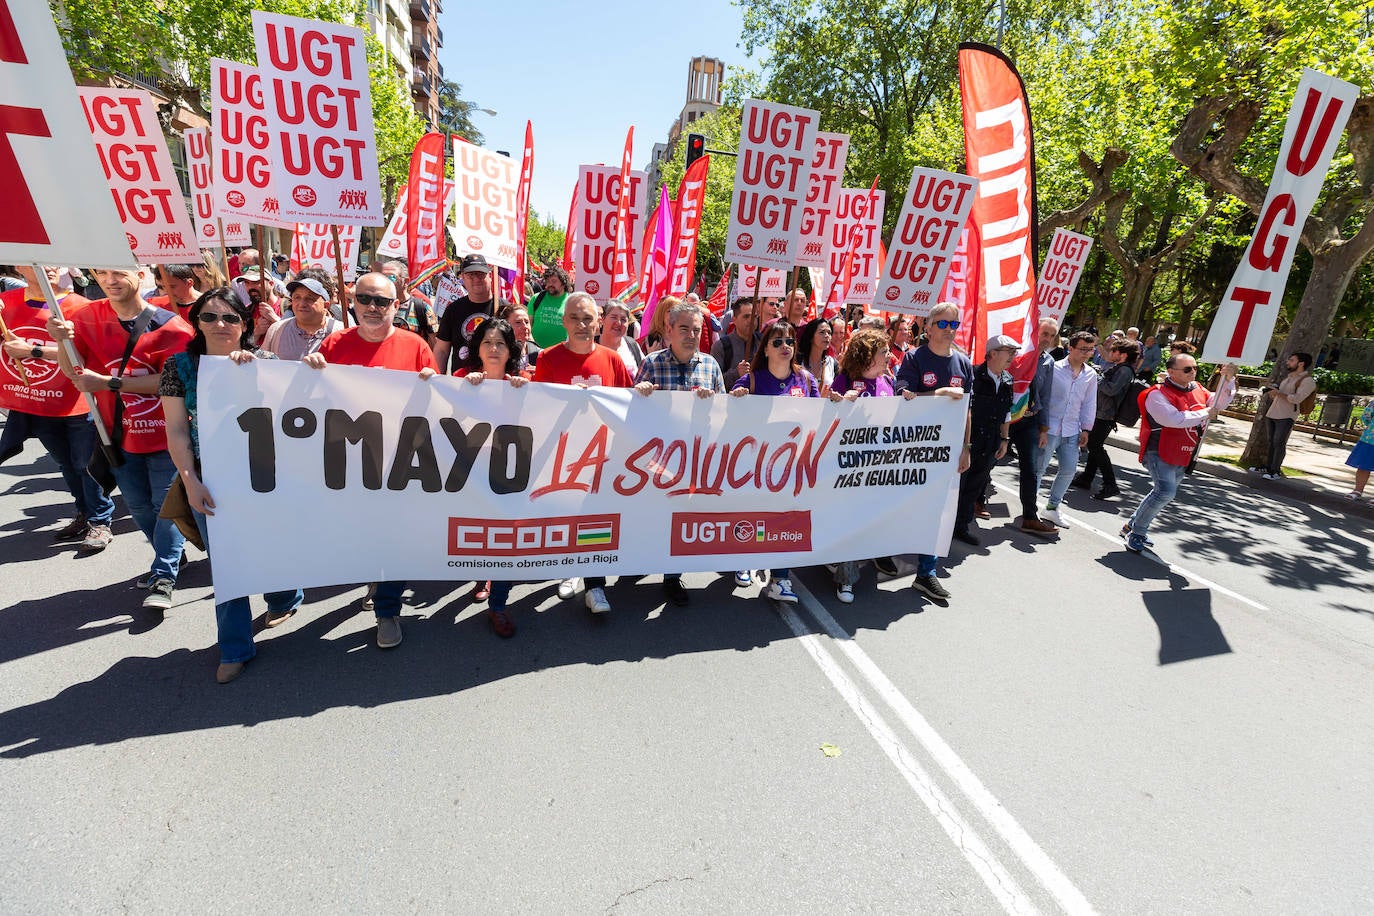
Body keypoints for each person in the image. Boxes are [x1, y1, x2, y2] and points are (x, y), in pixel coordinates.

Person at [160, 288, 303, 683]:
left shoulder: (268, 362)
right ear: (197, 323)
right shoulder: (179, 368)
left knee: (271, 549)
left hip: (266, 478)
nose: (220, 325)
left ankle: (283, 597)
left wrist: (290, 370)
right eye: (209, 317)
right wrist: (190, 481)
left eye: (229, 318)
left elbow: (302, 410)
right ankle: (235, 647)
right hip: (211, 480)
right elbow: (175, 430)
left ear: (244, 324)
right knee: (226, 566)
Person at [302, 272, 439, 648]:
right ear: (353, 302)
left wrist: (432, 382)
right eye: (365, 299)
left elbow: (437, 410)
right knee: (363, 536)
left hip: (399, 463)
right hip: (349, 464)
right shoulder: (333, 345)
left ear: (397, 306)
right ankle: (374, 579)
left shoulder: (415, 347)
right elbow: (307, 405)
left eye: (382, 301)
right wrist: (308, 373)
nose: (373, 308)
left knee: (393, 539)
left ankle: (387, 610)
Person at [47, 267, 194, 609]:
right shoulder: (86, 318)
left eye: (118, 272)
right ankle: (171, 554)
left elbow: (176, 380)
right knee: (140, 506)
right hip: (116, 436)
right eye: (101, 273)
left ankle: (163, 576)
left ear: (140, 274)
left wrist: (111, 383)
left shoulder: (171, 327)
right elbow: (77, 375)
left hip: (167, 436)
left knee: (163, 508)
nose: (110, 280)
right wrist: (61, 341)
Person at [533, 292, 635, 614]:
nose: (581, 325)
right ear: (564, 322)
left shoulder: (613, 359)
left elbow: (629, 403)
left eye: (588, 318)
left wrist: (643, 393)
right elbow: (540, 408)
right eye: (575, 318)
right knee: (566, 516)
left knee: (594, 520)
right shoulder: (547, 359)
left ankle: (595, 585)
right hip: (563, 455)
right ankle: (569, 568)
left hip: (602, 458)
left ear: (598, 322)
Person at [0, 266, 115, 550]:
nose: (48, 267)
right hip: (35, 402)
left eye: (54, 262)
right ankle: (84, 512)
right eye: (35, 261)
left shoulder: (82, 305)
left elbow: (90, 352)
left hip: (78, 402)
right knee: (65, 464)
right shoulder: (8, 302)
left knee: (84, 463)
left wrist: (32, 350)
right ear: (18, 267)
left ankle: (100, 521)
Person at [632, 301, 726, 606]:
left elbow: (726, 412)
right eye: (684, 328)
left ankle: (672, 577)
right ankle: (638, 561)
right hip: (660, 460)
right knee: (655, 517)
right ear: (669, 329)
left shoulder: (711, 365)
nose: (691, 334)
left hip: (696, 460)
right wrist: (642, 393)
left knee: (682, 521)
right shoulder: (653, 364)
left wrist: (725, 401)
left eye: (696, 329)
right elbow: (632, 412)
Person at [728, 319, 820, 603]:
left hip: (792, 467)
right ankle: (744, 560)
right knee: (752, 514)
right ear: (765, 348)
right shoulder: (753, 380)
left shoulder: (805, 379)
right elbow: (729, 418)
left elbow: (820, 416)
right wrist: (737, 398)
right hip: (755, 466)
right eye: (777, 341)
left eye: (790, 341)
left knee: (787, 520)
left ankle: (780, 578)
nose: (785, 347)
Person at [892, 302, 972, 602]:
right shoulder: (915, 358)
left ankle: (927, 573)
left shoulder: (963, 363)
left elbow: (966, 409)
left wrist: (966, 447)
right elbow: (904, 399)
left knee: (937, 511)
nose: (950, 329)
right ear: (928, 326)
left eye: (954, 324)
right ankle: (882, 553)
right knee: (903, 506)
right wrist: (936, 395)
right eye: (943, 324)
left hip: (947, 451)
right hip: (913, 449)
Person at [456, 317, 530, 636]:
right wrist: (461, 390)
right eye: (487, 342)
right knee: (476, 535)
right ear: (478, 348)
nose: (494, 348)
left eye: (500, 343)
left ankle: (498, 605)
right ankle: (480, 574)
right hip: (470, 475)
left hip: (509, 477)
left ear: (510, 349)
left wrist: (526, 392)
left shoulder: (525, 381)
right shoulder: (461, 378)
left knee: (505, 542)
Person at [1122, 355, 1234, 553]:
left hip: (1185, 450)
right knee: (1165, 492)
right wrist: (1206, 413)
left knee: (1161, 493)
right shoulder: (1157, 394)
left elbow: (1219, 403)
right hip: (1159, 450)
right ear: (1171, 372)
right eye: (1187, 369)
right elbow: (1173, 419)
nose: (1193, 372)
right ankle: (1137, 533)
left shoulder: (1198, 389)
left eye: (1194, 368)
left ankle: (1131, 524)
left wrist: (1229, 379)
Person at [827, 327, 902, 600]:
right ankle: (845, 578)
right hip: (848, 465)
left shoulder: (887, 383)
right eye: (883, 352)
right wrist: (839, 402)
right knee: (850, 519)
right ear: (867, 354)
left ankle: (866, 555)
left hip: (878, 465)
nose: (889, 357)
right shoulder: (845, 380)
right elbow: (827, 416)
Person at [952, 336, 1018, 546]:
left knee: (975, 485)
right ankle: (944, 527)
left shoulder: (1007, 379)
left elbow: (1006, 411)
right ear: (993, 353)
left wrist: (1005, 439)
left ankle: (961, 526)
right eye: (1009, 351)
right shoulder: (973, 375)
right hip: (970, 440)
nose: (1012, 357)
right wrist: (965, 444)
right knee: (958, 486)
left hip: (991, 441)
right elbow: (964, 410)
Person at [1036, 331, 1099, 527]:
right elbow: (1044, 398)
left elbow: (1089, 403)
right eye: (1083, 349)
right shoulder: (1054, 368)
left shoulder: (1090, 375)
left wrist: (1086, 429)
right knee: (1039, 469)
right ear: (1070, 348)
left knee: (1069, 469)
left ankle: (1052, 508)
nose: (1087, 353)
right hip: (1051, 427)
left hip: (1072, 430)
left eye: (1090, 350)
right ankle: (1029, 508)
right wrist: (1042, 427)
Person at [1005, 318, 1059, 538]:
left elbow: (1045, 395)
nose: (1046, 339)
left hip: (1031, 421)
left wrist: (1044, 428)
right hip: (1008, 418)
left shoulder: (1048, 361)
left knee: (1030, 469)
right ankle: (976, 502)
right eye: (1044, 333)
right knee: (989, 459)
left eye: (1051, 335)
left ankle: (1030, 516)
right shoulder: (1016, 354)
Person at [1074, 339, 1140, 500]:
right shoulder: (1120, 368)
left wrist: (1097, 377)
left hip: (1106, 414)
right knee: (1094, 445)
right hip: (1102, 412)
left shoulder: (1125, 371)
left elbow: (1110, 390)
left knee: (1095, 446)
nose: (1110, 353)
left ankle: (1110, 484)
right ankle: (1086, 478)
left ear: (1122, 355)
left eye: (1114, 351)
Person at [1254, 352, 1316, 480]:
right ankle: (1268, 466)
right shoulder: (1289, 377)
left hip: (1287, 415)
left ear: (1301, 364)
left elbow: (1296, 399)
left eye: (1292, 360)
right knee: (1271, 441)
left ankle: (1275, 471)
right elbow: (1282, 394)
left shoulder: (1307, 381)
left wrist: (1279, 393)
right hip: (1273, 412)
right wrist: (1274, 392)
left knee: (1279, 442)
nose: (1288, 362)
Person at [434, 254, 496, 374]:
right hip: (461, 384)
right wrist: (437, 381)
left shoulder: (503, 308)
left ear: (490, 276)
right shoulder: (453, 310)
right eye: (471, 275)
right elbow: (442, 350)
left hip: (495, 383)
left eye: (481, 273)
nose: (477, 279)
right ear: (462, 277)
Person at [260, 277, 341, 360]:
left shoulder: (341, 332)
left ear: (326, 305)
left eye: (309, 299)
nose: (302, 304)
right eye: (297, 297)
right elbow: (262, 363)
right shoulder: (276, 330)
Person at [380, 260, 437, 347]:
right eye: (382, 277)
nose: (386, 282)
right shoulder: (375, 306)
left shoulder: (422, 308)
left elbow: (435, 344)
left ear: (406, 281)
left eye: (392, 277)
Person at [710, 296, 760, 390]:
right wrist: (736, 373)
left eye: (754, 316)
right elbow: (713, 381)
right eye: (746, 316)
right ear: (734, 319)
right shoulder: (721, 346)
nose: (751, 320)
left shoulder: (764, 344)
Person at [526, 264, 571, 348]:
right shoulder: (536, 298)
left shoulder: (571, 301)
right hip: (536, 351)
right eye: (548, 281)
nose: (550, 284)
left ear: (563, 283)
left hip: (562, 352)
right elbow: (528, 324)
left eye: (554, 281)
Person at [597, 299, 644, 375]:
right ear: (603, 319)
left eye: (623, 319)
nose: (618, 323)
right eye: (614, 317)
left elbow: (644, 374)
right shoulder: (590, 345)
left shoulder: (632, 345)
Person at [797, 317, 838, 392]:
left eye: (829, 333)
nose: (827, 336)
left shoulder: (833, 363)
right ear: (811, 336)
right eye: (822, 332)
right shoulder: (797, 361)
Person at [1344, 401, 1374, 501]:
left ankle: (1358, 490)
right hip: (1369, 439)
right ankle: (1358, 490)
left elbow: (1366, 418)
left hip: (1369, 437)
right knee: (1363, 466)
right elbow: (1366, 416)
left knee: (1363, 467)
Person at [500, 304, 541, 373]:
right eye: (518, 322)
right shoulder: (498, 354)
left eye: (527, 322)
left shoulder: (540, 354)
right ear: (505, 326)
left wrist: (541, 372)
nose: (525, 327)